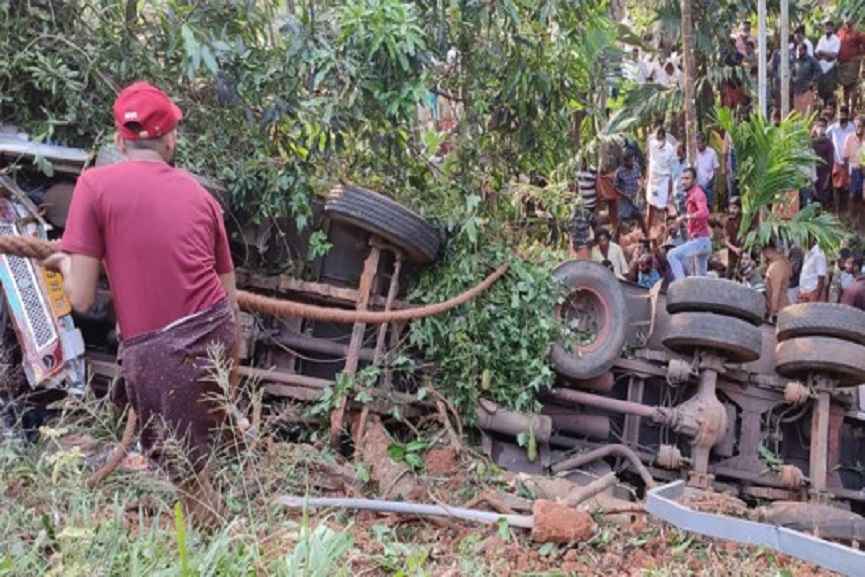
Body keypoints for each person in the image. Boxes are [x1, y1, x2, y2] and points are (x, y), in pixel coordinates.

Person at [44, 81, 238, 524]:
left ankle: (217, 539)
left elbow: (81, 296)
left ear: (119, 141)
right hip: (216, 335)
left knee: (184, 468)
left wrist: (64, 262)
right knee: (193, 457)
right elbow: (229, 299)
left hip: (161, 352)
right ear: (170, 140)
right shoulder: (203, 198)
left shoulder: (94, 185)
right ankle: (214, 526)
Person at [667, 168, 711, 280]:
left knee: (672, 255)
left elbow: (704, 213)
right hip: (700, 241)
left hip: (700, 241)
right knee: (701, 279)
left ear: (694, 180)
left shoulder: (698, 194)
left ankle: (682, 285)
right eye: (682, 178)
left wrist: (685, 217)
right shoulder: (690, 195)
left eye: (687, 178)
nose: (683, 182)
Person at [646, 126, 677, 230]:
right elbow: (649, 161)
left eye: (660, 138)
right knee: (650, 204)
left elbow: (673, 170)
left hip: (663, 181)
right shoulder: (651, 144)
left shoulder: (670, 149)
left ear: (664, 138)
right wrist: (647, 178)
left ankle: (666, 229)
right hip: (653, 180)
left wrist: (671, 187)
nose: (658, 141)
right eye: (657, 138)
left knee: (663, 206)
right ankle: (648, 230)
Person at [828, 105, 855, 209]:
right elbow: (824, 135)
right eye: (840, 114)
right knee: (836, 186)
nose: (841, 116)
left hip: (849, 162)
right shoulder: (833, 128)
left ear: (847, 115)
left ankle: (847, 210)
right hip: (837, 161)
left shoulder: (852, 127)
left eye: (844, 114)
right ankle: (837, 211)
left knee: (848, 186)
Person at [614, 149, 646, 234]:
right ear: (624, 161)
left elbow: (640, 178)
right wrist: (625, 195)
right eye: (629, 161)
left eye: (632, 159)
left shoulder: (636, 166)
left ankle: (646, 235)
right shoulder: (619, 172)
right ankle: (616, 237)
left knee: (640, 217)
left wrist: (641, 186)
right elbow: (615, 187)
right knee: (622, 220)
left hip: (636, 198)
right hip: (625, 200)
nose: (631, 162)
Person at [836, 18, 865, 109]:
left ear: (852, 22)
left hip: (853, 62)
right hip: (842, 63)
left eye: (849, 20)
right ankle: (845, 108)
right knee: (845, 87)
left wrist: (861, 55)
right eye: (846, 20)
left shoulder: (857, 33)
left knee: (852, 86)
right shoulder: (840, 32)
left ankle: (852, 110)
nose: (847, 21)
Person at [763, 241, 792, 321]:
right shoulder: (784, 262)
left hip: (779, 309)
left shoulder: (776, 266)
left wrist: (773, 312)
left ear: (767, 251)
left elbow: (776, 292)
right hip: (782, 307)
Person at [791, 42, 821, 115]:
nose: (799, 51)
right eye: (797, 50)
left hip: (807, 89)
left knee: (807, 112)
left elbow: (819, 71)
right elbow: (792, 71)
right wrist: (793, 79)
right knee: (798, 112)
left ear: (805, 50)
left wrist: (812, 81)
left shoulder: (811, 60)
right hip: (797, 89)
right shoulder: (795, 60)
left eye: (800, 50)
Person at [842, 116, 865, 209]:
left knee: (863, 197)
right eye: (856, 126)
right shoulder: (849, 138)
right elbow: (845, 158)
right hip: (853, 170)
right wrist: (846, 175)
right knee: (852, 195)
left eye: (860, 126)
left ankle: (861, 217)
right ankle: (851, 216)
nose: (858, 128)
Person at [815, 19, 841, 103]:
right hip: (821, 68)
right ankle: (823, 109)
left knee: (830, 92)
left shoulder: (836, 39)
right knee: (821, 92)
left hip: (831, 68)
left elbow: (834, 55)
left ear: (833, 28)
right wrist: (827, 55)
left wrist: (822, 53)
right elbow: (817, 53)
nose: (828, 28)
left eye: (830, 26)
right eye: (826, 26)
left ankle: (830, 109)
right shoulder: (822, 39)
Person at [812, 116, 835, 206]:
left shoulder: (829, 143)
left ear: (826, 128)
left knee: (822, 200)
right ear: (815, 127)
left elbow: (830, 163)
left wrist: (827, 179)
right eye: (819, 126)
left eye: (823, 126)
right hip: (812, 173)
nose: (820, 128)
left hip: (824, 174)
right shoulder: (811, 142)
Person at [695, 133, 720, 210]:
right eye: (697, 143)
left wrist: (715, 182)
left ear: (704, 142)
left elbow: (716, 168)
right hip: (698, 184)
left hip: (709, 183)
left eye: (700, 143)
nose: (698, 146)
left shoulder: (712, 152)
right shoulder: (694, 153)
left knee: (709, 205)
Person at [723, 197, 743, 278]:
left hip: (744, 254)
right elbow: (726, 241)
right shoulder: (728, 221)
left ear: (740, 209)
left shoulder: (744, 220)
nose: (732, 210)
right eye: (731, 208)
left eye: (735, 208)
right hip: (732, 255)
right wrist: (735, 249)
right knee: (728, 275)